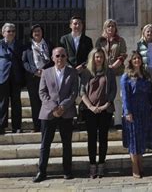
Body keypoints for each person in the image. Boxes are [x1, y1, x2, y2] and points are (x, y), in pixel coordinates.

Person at [33, 47, 78, 183]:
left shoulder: (72, 72)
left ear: (66, 57)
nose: (60, 59)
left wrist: (63, 106)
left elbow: (74, 92)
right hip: (48, 113)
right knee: (45, 144)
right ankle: (42, 171)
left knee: (67, 144)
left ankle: (67, 170)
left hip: (66, 112)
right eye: (57, 56)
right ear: (52, 58)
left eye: (63, 56)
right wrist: (54, 107)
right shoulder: (46, 73)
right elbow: (42, 93)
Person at [80, 47, 117, 178]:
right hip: (90, 110)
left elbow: (113, 90)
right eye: (96, 57)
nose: (99, 59)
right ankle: (92, 165)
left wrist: (106, 104)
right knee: (91, 138)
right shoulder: (86, 72)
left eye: (101, 57)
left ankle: (101, 164)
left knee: (103, 138)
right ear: (92, 58)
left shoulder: (109, 72)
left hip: (105, 110)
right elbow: (82, 91)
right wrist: (90, 106)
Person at [121, 51, 152, 178]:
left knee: (141, 139)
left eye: (139, 58)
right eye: (134, 59)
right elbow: (125, 97)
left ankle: (140, 163)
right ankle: (134, 167)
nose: (137, 60)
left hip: (145, 111)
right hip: (132, 111)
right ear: (131, 61)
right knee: (133, 140)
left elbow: (151, 93)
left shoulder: (146, 75)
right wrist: (127, 112)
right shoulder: (126, 77)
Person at [95, 19, 127, 129]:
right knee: (104, 97)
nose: (110, 28)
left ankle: (118, 121)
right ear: (105, 28)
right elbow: (96, 54)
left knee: (117, 97)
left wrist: (113, 66)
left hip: (117, 72)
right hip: (103, 74)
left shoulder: (120, 40)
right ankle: (106, 120)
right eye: (108, 26)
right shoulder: (100, 41)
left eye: (112, 26)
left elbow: (123, 56)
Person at [22, 24, 53, 132]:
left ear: (42, 32)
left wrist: (45, 71)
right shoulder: (27, 46)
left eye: (39, 31)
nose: (37, 33)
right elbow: (24, 62)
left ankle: (48, 125)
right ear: (31, 33)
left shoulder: (49, 45)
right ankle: (37, 126)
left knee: (47, 101)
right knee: (35, 103)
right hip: (33, 78)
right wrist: (35, 71)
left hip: (47, 77)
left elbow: (54, 60)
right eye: (34, 31)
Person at [0, 23, 24, 135]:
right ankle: (1, 126)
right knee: (2, 103)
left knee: (16, 103)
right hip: (2, 77)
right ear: (3, 32)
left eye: (13, 31)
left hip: (15, 77)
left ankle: (17, 127)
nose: (11, 33)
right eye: (9, 31)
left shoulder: (20, 45)